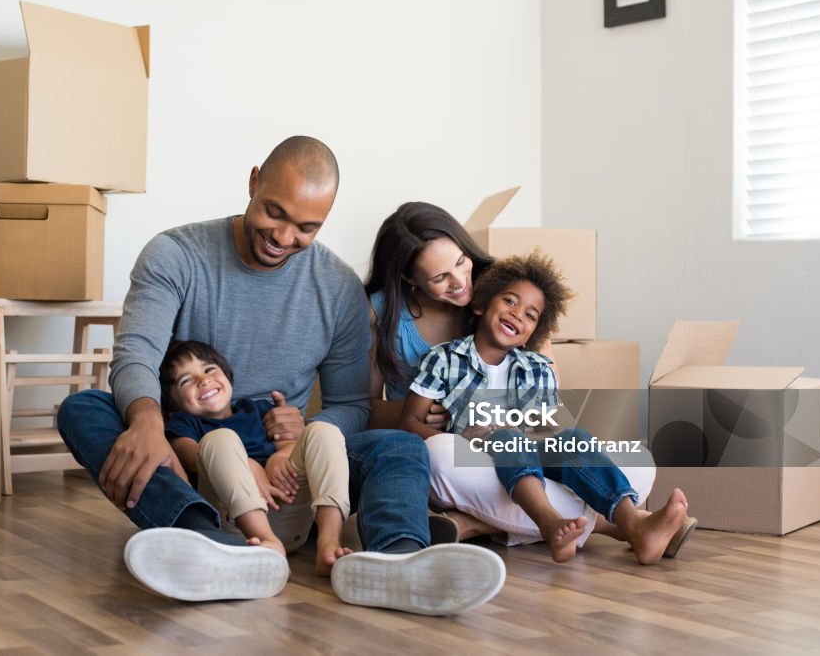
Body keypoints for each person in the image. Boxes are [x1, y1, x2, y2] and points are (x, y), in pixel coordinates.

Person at [57, 136, 505, 615]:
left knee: (399, 445)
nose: (285, 237)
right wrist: (147, 422)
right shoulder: (175, 254)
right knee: (84, 409)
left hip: (291, 471)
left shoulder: (337, 288)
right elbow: (137, 353)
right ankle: (202, 537)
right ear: (253, 182)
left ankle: (396, 559)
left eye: (306, 227)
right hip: (190, 451)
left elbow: (352, 403)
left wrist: (302, 436)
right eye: (275, 213)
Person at [364, 202, 670, 553]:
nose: (461, 281)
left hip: (526, 447)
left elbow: (552, 418)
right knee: (442, 452)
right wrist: (453, 412)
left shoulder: (508, 289)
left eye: (461, 262)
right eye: (439, 277)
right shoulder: (408, 332)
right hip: (457, 451)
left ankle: (476, 524)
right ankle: (609, 525)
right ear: (409, 278)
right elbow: (376, 413)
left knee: (639, 462)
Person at [401, 252, 696, 564]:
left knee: (582, 440)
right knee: (485, 442)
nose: (517, 315)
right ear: (481, 304)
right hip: (475, 457)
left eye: (531, 315)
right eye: (510, 301)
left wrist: (552, 435)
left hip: (530, 455)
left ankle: (631, 522)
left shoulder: (537, 367)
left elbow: (549, 429)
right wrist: (461, 439)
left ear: (535, 333)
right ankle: (554, 521)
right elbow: (409, 421)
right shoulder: (444, 359)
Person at [159, 339, 351, 576]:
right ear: (172, 403)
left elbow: (291, 444)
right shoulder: (183, 424)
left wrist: (280, 456)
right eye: (186, 380)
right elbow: (190, 457)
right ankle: (267, 542)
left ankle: (329, 543)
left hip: (290, 508)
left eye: (209, 369)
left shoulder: (257, 409)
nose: (203, 380)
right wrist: (247, 464)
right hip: (238, 523)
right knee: (220, 439)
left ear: (228, 377)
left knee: (324, 431)